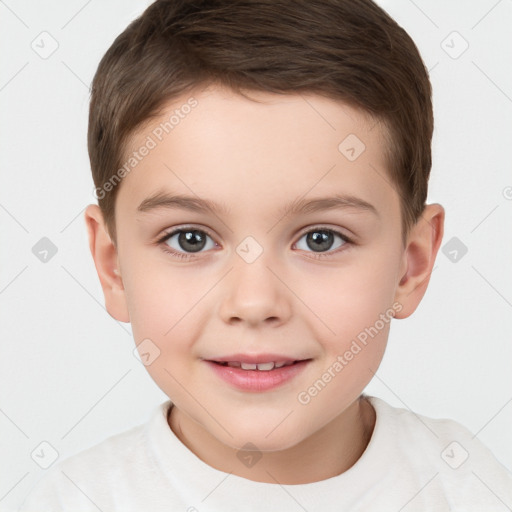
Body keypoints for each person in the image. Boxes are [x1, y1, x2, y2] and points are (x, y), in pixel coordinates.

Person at [19, 0, 512, 510]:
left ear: (411, 265)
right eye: (190, 239)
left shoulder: (473, 490)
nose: (254, 303)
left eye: (322, 239)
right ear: (113, 266)